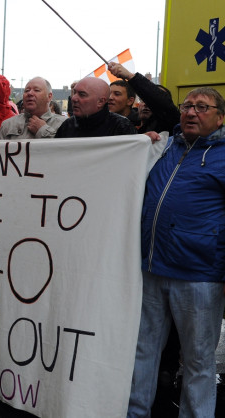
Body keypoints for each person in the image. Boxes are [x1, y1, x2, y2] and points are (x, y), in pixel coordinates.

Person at [127, 87, 225, 418]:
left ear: (220, 117)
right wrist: (145, 145)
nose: (191, 113)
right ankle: (134, 412)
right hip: (152, 268)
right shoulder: (165, 147)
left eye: (202, 107)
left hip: (199, 275)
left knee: (197, 359)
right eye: (187, 107)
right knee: (142, 351)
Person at [107, 62, 180, 135]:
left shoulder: (170, 124)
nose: (146, 104)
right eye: (143, 100)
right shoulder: (126, 125)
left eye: (151, 101)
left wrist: (131, 76)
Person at [55, 77, 137, 138]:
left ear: (100, 102)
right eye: (74, 92)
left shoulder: (121, 127)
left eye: (82, 94)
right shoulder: (67, 126)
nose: (74, 98)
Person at [0, 77, 65, 139]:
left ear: (49, 97)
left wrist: (43, 130)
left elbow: (67, 150)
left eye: (36, 90)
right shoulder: (8, 124)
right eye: (26, 90)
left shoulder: (64, 124)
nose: (30, 93)